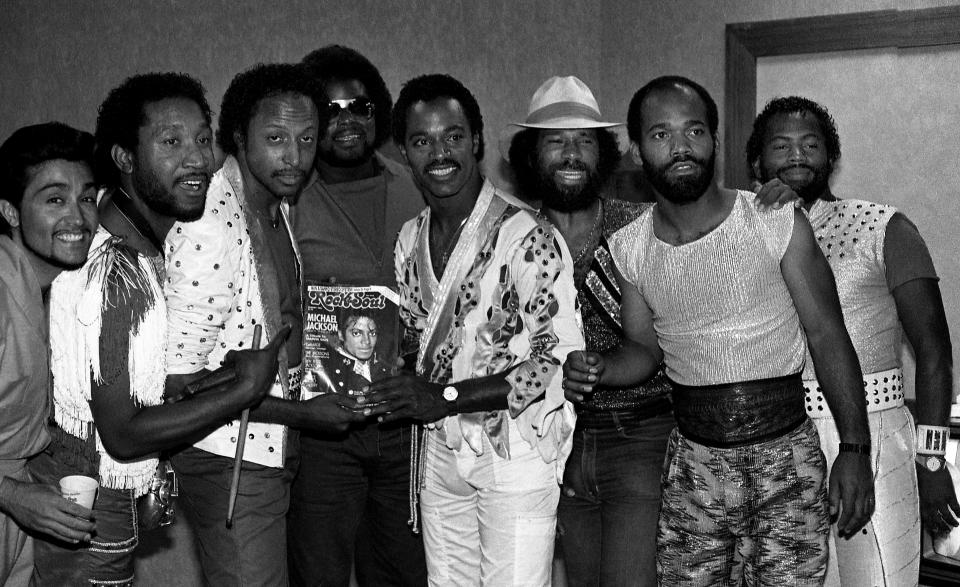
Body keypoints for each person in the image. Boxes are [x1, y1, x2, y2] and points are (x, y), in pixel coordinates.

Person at [564, 76, 874, 586]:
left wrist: (855, 450)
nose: (681, 146)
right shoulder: (629, 248)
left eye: (694, 130)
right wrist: (601, 367)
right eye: (661, 134)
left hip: (787, 466)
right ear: (638, 152)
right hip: (693, 470)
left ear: (714, 140)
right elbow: (643, 349)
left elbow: (827, 334)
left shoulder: (773, 219)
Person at [31, 73, 286, 586]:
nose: (198, 159)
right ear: (125, 158)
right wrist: (245, 388)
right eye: (171, 142)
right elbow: (123, 435)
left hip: (97, 508)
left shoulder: (136, 249)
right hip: (87, 517)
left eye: (200, 138)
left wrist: (195, 380)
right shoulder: (115, 273)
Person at [360, 73, 584, 586]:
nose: (441, 153)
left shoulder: (530, 237)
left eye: (454, 137)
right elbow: (419, 343)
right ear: (404, 152)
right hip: (441, 448)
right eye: (422, 141)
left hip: (516, 448)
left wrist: (446, 394)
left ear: (477, 141)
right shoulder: (409, 239)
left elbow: (556, 365)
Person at [163, 63, 368, 586]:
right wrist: (301, 416)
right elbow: (179, 384)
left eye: (305, 138)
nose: (294, 156)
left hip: (267, 447)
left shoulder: (272, 206)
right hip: (228, 455)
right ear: (238, 136)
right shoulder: (210, 220)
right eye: (275, 138)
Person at [748, 96, 958, 586]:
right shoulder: (740, 231)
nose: (797, 155)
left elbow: (934, 352)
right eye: (781, 145)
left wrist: (931, 459)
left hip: (875, 436)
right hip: (777, 440)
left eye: (810, 144)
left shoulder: (884, 227)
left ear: (830, 158)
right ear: (757, 161)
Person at [504, 75, 674, 586]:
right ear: (531, 156)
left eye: (584, 140)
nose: (572, 153)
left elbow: (650, 345)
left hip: (639, 438)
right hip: (549, 441)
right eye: (556, 141)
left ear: (603, 153)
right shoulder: (512, 238)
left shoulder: (642, 225)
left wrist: (599, 368)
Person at [288, 45, 427, 587]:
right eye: (330, 108)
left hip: (404, 425)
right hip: (325, 428)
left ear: (380, 113)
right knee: (318, 574)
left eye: (360, 107)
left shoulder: (416, 187)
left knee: (401, 574)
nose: (346, 120)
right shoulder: (289, 198)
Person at [0, 122, 99, 585]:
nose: (78, 217)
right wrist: (12, 494)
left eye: (86, 197)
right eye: (55, 199)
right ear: (11, 211)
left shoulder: (59, 292)